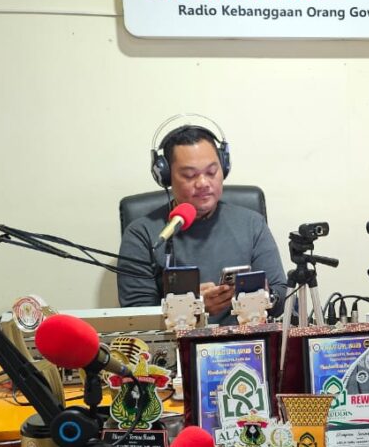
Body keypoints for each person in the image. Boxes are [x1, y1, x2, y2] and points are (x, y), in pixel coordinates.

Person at [118, 123, 287, 325]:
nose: (203, 183)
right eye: (189, 175)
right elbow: (136, 315)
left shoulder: (252, 224)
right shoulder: (143, 234)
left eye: (212, 172)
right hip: (176, 342)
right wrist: (192, 308)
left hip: (244, 341)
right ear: (166, 177)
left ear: (224, 168)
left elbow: (281, 297)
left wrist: (266, 296)